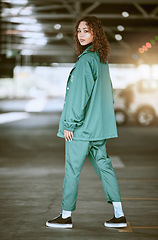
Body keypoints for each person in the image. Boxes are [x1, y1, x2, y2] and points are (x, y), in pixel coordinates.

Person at [46, 16, 127, 229]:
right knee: (105, 168)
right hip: (97, 130)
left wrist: (69, 125)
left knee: (72, 170)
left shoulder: (85, 61)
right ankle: (119, 214)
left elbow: (78, 97)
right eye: (79, 30)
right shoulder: (101, 60)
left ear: (95, 34)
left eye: (86, 30)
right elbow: (107, 95)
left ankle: (65, 216)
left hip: (80, 131)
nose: (81, 34)